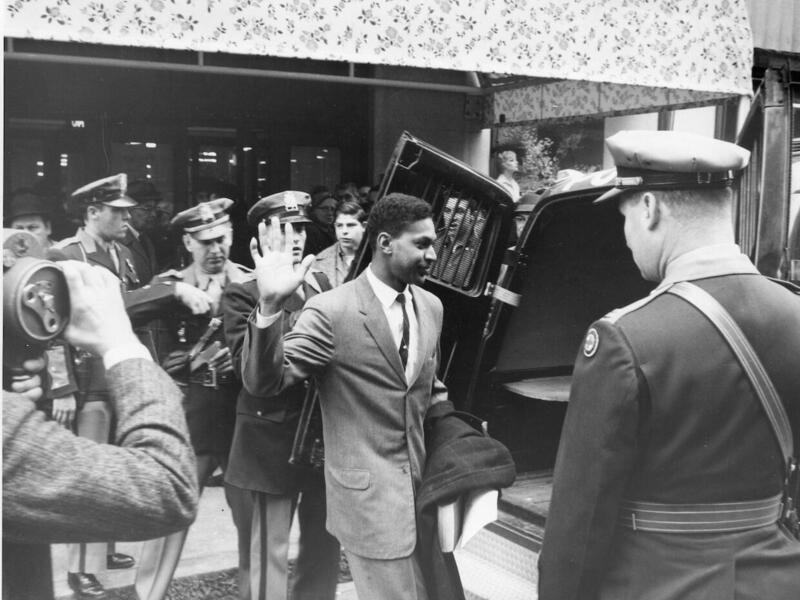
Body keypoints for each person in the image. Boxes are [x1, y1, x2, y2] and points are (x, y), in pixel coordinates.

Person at [538, 130, 800, 600]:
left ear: (649, 209)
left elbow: (580, 519)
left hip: (658, 584)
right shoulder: (794, 313)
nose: (626, 236)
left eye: (624, 217)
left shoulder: (623, 337)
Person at [242, 193, 450, 600]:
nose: (433, 255)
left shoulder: (432, 306)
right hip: (367, 506)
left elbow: (428, 387)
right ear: (385, 243)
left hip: (422, 501)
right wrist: (269, 307)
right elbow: (265, 382)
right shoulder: (331, 310)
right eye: (422, 244)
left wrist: (461, 442)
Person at [53, 173, 211, 598]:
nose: (127, 219)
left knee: (114, 470)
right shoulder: (66, 255)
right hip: (88, 381)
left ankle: (103, 549)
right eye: (118, 212)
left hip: (117, 374)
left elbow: (134, 312)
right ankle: (80, 567)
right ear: (92, 213)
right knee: (89, 475)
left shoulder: (122, 253)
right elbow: (54, 329)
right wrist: (61, 387)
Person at [3, 260, 198, 600]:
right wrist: (122, 345)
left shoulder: (125, 253)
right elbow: (166, 487)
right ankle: (83, 569)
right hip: (90, 389)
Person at [221, 190, 340, 600]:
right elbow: (250, 373)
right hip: (270, 443)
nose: (295, 238)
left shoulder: (321, 283)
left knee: (323, 549)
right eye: (284, 229)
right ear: (262, 237)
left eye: (301, 229)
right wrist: (271, 304)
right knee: (269, 555)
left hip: (321, 440)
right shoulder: (243, 292)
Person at [134, 198, 251, 600]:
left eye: (221, 239)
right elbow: (127, 309)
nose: (215, 249)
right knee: (169, 516)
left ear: (231, 236)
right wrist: (173, 292)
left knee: (250, 522)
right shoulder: (171, 283)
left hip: (239, 418)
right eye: (205, 242)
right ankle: (149, 595)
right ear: (187, 243)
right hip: (191, 417)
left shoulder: (249, 281)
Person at [313, 200, 366, 287]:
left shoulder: (377, 255)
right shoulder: (319, 261)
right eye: (339, 226)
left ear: (364, 226)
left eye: (350, 225)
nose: (344, 231)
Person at [122, 179, 161, 283]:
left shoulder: (145, 240)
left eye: (155, 209)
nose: (153, 214)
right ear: (129, 209)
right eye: (147, 208)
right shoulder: (119, 242)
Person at [303, 188, 338, 256]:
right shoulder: (311, 232)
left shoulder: (333, 230)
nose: (330, 213)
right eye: (325, 208)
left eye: (333, 209)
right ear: (313, 210)